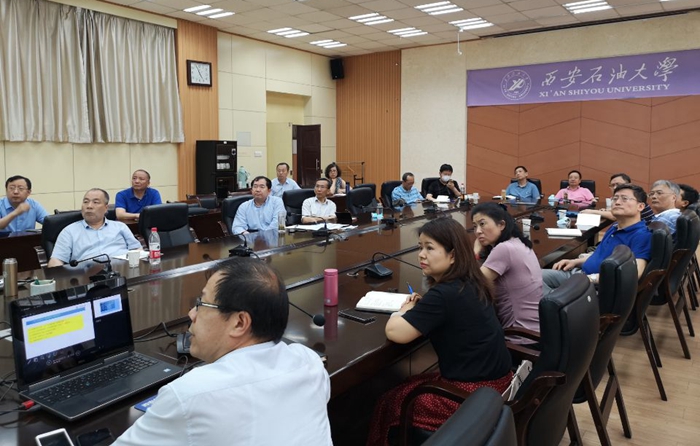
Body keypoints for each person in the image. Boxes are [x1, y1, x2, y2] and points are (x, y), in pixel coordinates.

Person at [112, 259, 332, 446]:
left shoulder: (189, 395)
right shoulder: (310, 363)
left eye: (201, 303)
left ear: (239, 323)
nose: (191, 314)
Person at [367, 218, 512, 445]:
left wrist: (403, 311)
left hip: (470, 396)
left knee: (391, 401)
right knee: (410, 383)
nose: (421, 255)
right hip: (496, 385)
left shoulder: (445, 294)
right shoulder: (471, 281)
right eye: (420, 247)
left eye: (430, 248)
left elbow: (396, 332)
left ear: (453, 255)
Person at [542, 184, 651, 295]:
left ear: (640, 206)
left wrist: (592, 278)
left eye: (624, 199)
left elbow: (635, 273)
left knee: (538, 291)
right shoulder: (615, 227)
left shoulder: (641, 235)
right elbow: (599, 256)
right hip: (579, 274)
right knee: (534, 277)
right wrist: (574, 262)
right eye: (615, 198)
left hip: (595, 287)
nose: (617, 202)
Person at [471, 203, 541, 343]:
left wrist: (475, 252)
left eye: (482, 224)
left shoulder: (504, 249)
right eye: (474, 226)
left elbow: (471, 285)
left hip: (520, 337)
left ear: (501, 225)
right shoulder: (519, 242)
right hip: (538, 330)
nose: (478, 231)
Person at [48, 189, 141, 267]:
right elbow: (56, 261)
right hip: (86, 276)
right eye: (85, 202)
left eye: (95, 202)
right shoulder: (69, 231)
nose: (89, 206)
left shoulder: (120, 227)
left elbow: (137, 250)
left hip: (123, 271)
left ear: (106, 208)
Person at [580, 173, 654, 223]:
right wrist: (608, 211)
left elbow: (616, 217)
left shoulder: (636, 196)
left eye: (618, 184)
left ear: (629, 184)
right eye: (612, 185)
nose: (615, 187)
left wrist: (592, 211)